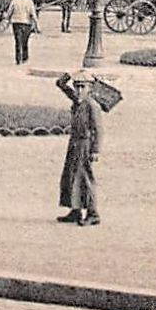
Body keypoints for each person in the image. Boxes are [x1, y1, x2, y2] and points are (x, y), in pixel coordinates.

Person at [55, 72, 103, 225]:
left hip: (85, 144)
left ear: (90, 88)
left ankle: (93, 213)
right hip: (74, 143)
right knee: (70, 176)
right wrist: (69, 75)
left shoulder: (92, 105)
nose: (79, 89)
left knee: (85, 178)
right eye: (77, 86)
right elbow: (60, 84)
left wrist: (95, 150)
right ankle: (75, 210)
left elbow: (99, 130)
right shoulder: (77, 101)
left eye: (83, 86)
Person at [6, 0, 40, 65]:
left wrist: (8, 18)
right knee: (25, 41)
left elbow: (9, 12)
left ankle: (18, 59)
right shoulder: (29, 2)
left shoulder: (14, 1)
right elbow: (34, 15)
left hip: (16, 23)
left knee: (18, 41)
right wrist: (37, 26)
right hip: (26, 23)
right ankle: (25, 57)